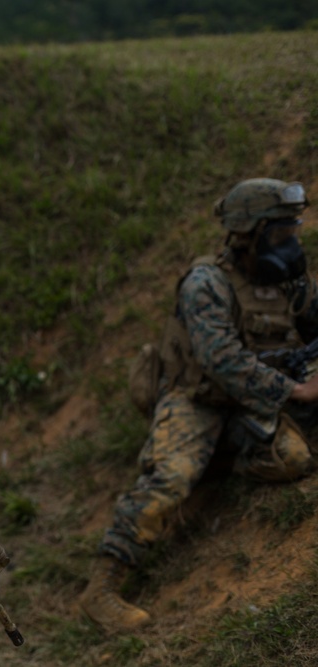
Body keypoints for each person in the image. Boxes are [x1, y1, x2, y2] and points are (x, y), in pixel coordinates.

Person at [79, 178, 318, 632]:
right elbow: (221, 360)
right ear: (249, 233)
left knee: (294, 459)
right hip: (197, 400)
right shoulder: (206, 282)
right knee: (170, 479)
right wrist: (297, 392)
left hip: (250, 400)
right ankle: (102, 589)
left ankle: (223, 456)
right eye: (281, 233)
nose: (292, 242)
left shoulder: (286, 279)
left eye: (294, 231)